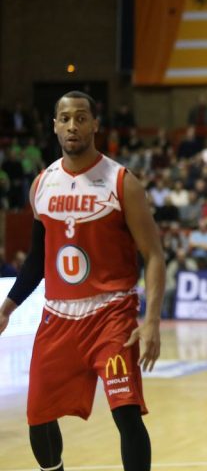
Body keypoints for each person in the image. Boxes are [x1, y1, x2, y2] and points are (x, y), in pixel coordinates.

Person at [0, 91, 165, 471]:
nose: (72, 125)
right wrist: (8, 308)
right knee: (38, 415)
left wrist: (152, 321)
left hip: (112, 315)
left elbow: (154, 255)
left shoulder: (122, 182)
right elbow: (38, 261)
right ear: (55, 127)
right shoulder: (41, 184)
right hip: (57, 316)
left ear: (95, 124)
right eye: (65, 118)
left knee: (126, 412)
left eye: (80, 117)